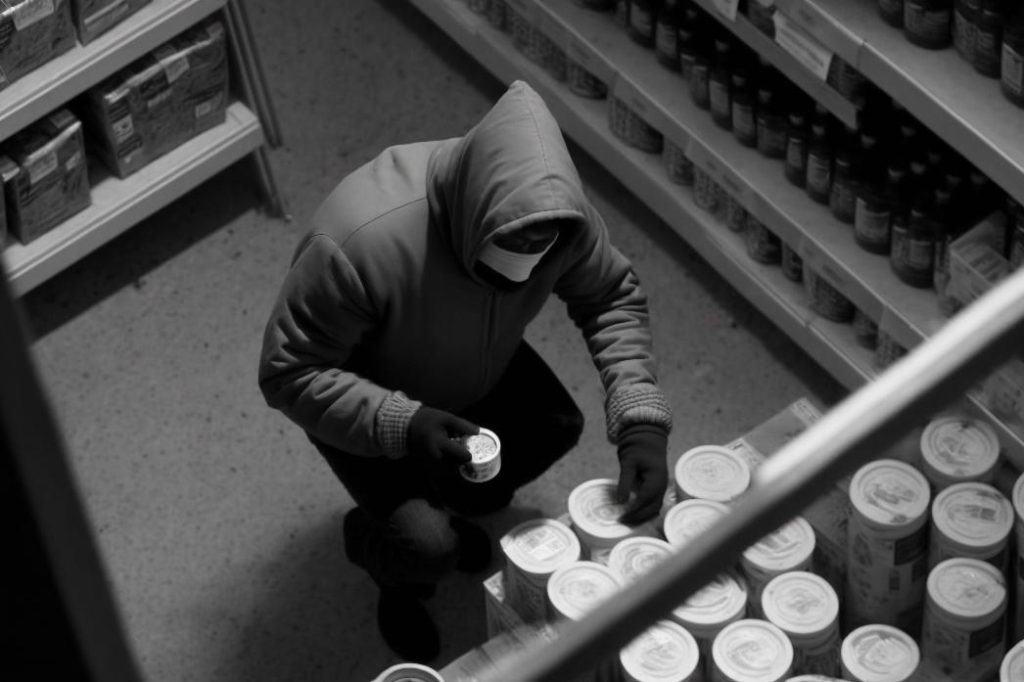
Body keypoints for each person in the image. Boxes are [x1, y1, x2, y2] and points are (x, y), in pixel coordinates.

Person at [258, 80, 673, 663]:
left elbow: (610, 295)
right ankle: (383, 563)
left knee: (556, 426)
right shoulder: (357, 240)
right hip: (369, 396)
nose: (527, 271)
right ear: (469, 213)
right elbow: (289, 372)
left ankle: (452, 499)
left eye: (540, 255)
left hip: (479, 364)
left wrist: (639, 418)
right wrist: (403, 423)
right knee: (428, 548)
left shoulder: (560, 216)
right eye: (505, 255)